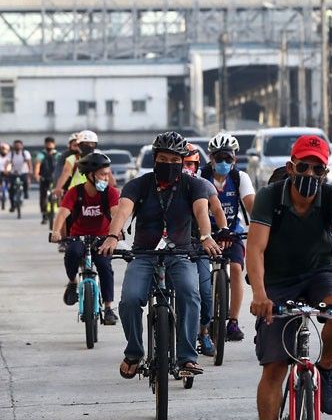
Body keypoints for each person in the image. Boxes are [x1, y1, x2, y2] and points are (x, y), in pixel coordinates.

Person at [247, 135, 332, 420]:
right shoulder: (270, 197)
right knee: (274, 367)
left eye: (317, 169)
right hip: (278, 282)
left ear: (325, 172)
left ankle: (324, 370)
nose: (310, 174)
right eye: (303, 166)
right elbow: (255, 249)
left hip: (320, 274)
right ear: (290, 167)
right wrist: (260, 295)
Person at [99, 131, 223, 379]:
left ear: (182, 160)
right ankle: (134, 352)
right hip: (144, 254)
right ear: (155, 159)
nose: (169, 164)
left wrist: (206, 236)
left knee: (190, 293)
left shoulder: (194, 185)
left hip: (181, 253)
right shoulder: (138, 184)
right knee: (130, 299)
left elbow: (201, 212)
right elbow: (123, 212)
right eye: (163, 159)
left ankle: (187, 357)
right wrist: (113, 235)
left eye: (175, 160)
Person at [51, 152, 120, 325]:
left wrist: (116, 233)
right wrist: (56, 231)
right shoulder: (75, 192)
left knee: (104, 265)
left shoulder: (110, 193)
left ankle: (108, 308)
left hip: (102, 237)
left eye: (108, 174)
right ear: (90, 175)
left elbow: (116, 214)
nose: (107, 178)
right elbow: (62, 213)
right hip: (78, 237)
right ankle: (72, 282)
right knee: (72, 253)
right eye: (103, 175)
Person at [201, 132, 256, 343]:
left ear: (234, 159)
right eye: (219, 157)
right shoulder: (201, 177)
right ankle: (204, 321)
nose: (223, 162)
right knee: (202, 274)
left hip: (233, 231)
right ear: (211, 158)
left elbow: (251, 206)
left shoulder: (240, 178)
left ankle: (233, 321)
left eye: (228, 158)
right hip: (206, 233)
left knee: (236, 269)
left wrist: (261, 225)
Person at [181, 144, 229, 356]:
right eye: (183, 163)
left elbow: (217, 209)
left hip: (199, 244)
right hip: (173, 245)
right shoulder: (165, 186)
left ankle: (204, 332)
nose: (187, 168)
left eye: (191, 164)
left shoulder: (203, 185)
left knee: (205, 292)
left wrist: (224, 229)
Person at [54, 129, 98, 199]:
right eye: (86, 144)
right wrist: (58, 187)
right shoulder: (71, 158)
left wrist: (114, 188)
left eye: (92, 143)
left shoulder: (100, 159)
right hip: (75, 194)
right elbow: (65, 173)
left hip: (94, 194)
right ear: (80, 145)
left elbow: (108, 174)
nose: (89, 146)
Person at [34, 136, 58, 224]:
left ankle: (57, 212)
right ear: (45, 145)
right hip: (44, 178)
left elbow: (62, 166)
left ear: (54, 145)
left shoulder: (58, 155)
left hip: (55, 179)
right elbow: (37, 164)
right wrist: (37, 175)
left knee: (59, 195)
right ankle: (44, 214)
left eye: (51, 144)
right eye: (48, 144)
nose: (49, 146)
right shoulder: (41, 155)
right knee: (43, 197)